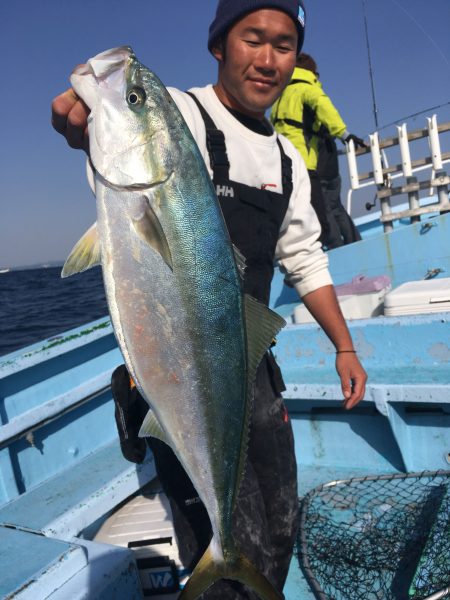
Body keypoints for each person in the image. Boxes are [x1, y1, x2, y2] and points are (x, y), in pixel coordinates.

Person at [51, 1, 367, 598]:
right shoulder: (183, 116)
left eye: (284, 45)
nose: (268, 58)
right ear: (219, 44)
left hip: (248, 361)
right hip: (177, 365)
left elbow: (303, 257)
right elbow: (113, 148)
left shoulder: (286, 158)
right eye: (254, 38)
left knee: (278, 521)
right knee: (215, 532)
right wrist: (87, 123)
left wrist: (344, 346)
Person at [271, 52, 365, 248]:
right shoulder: (308, 88)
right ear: (312, 72)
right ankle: (343, 250)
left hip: (285, 164)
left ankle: (338, 247)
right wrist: (345, 134)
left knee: (308, 211)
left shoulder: (280, 97)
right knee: (323, 211)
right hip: (306, 164)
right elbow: (325, 107)